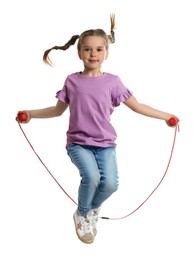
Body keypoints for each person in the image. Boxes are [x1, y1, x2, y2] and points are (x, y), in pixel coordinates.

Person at [17, 14, 179, 244]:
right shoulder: (72, 81)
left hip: (105, 145)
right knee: (91, 178)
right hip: (78, 143)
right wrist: (31, 114)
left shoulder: (113, 82)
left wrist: (166, 116)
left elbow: (137, 106)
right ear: (79, 52)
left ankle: (91, 209)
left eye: (99, 49)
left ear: (106, 53)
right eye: (87, 49)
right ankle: (82, 214)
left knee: (110, 184)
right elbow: (57, 110)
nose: (93, 54)